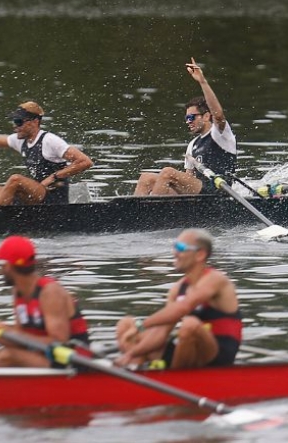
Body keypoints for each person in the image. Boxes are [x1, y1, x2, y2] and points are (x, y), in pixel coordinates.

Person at [0, 235, 90, 368]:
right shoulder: (19, 292)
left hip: (70, 362)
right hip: (39, 357)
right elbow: (20, 343)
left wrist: (10, 331)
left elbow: (59, 342)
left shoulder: (50, 292)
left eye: (1, 263)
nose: (0, 268)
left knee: (10, 355)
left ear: (9, 266)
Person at [115, 228, 242, 369]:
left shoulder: (216, 279)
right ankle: (134, 372)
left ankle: (176, 378)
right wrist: (131, 353)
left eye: (181, 248)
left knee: (190, 325)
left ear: (200, 254)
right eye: (175, 246)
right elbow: (162, 331)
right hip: (190, 352)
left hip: (218, 354)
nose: (175, 253)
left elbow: (183, 307)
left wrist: (142, 325)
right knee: (126, 324)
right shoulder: (177, 288)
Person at [134, 58, 237, 196]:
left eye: (191, 117)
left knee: (167, 172)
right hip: (199, 195)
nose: (188, 121)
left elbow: (218, 115)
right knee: (146, 178)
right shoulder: (192, 145)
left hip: (219, 193)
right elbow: (188, 178)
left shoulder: (220, 134)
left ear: (206, 116)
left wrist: (202, 81)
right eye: (186, 118)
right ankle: (136, 213)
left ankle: (151, 213)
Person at [0, 101, 93, 206]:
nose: (15, 127)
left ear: (35, 122)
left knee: (16, 179)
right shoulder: (20, 140)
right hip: (33, 196)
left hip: (52, 199)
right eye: (14, 122)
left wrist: (54, 177)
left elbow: (85, 162)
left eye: (19, 122)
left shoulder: (50, 141)